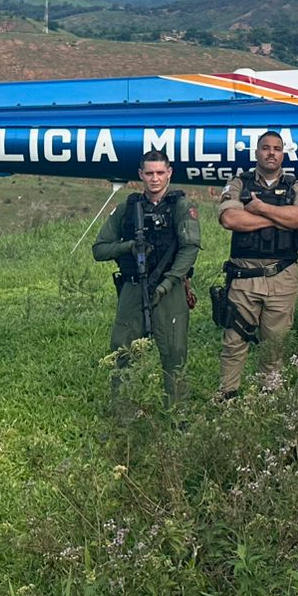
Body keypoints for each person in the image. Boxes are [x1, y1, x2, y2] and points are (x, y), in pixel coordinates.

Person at [92, 150, 200, 406]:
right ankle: (123, 417)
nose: (154, 179)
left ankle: (177, 416)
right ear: (141, 175)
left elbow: (189, 249)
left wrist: (167, 283)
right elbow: (99, 249)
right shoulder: (127, 209)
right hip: (132, 287)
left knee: (174, 353)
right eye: (149, 173)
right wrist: (128, 246)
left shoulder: (181, 207)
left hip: (170, 289)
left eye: (160, 173)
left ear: (169, 173)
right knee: (123, 351)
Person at [215, 131, 298, 398]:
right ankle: (228, 398)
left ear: (283, 154)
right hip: (244, 275)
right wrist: (282, 218)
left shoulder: (296, 185)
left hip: (281, 276)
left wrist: (261, 209)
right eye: (265, 148)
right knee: (234, 342)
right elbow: (230, 220)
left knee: (275, 347)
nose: (271, 153)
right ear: (256, 152)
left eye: (277, 148)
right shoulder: (239, 183)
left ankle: (268, 400)